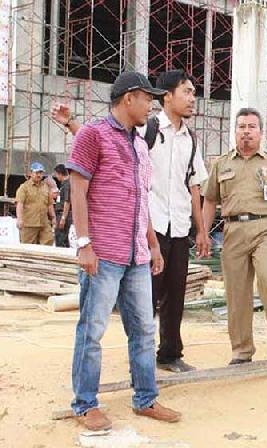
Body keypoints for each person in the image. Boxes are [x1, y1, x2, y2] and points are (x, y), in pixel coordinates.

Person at [52, 70, 210, 373]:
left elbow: (194, 185)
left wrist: (201, 229)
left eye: (193, 93)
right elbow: (106, 145)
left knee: (176, 292)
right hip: (149, 225)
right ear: (168, 97)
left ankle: (169, 353)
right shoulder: (147, 128)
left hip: (178, 224)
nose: (193, 99)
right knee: (145, 298)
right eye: (187, 92)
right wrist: (72, 124)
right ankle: (141, 360)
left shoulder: (190, 139)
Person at [66, 71, 180, 432]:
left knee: (144, 330)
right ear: (129, 98)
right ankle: (85, 404)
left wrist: (152, 244)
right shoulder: (92, 134)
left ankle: (145, 398)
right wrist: (84, 244)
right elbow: (78, 190)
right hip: (103, 252)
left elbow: (141, 201)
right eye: (148, 99)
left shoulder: (140, 144)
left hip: (136, 256)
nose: (151, 106)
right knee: (92, 331)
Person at [202, 108, 267, 365]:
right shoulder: (221, 164)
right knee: (236, 291)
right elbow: (210, 200)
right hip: (233, 231)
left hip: (265, 228)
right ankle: (242, 350)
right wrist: (203, 233)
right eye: (241, 127)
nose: (246, 132)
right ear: (235, 131)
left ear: (261, 132)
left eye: (251, 127)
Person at [15, 162, 55, 245]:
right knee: (28, 248)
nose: (39, 175)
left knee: (48, 243)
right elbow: (20, 204)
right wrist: (19, 219)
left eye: (41, 173)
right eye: (37, 172)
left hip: (44, 224)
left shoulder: (45, 187)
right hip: (29, 224)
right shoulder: (24, 187)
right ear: (30, 173)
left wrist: (53, 217)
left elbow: (50, 204)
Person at [53, 164, 72, 247]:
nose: (56, 177)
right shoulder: (63, 184)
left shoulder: (67, 184)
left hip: (63, 214)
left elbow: (67, 202)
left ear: (60, 174)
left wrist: (63, 218)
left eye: (56, 174)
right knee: (60, 237)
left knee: (61, 238)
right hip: (60, 214)